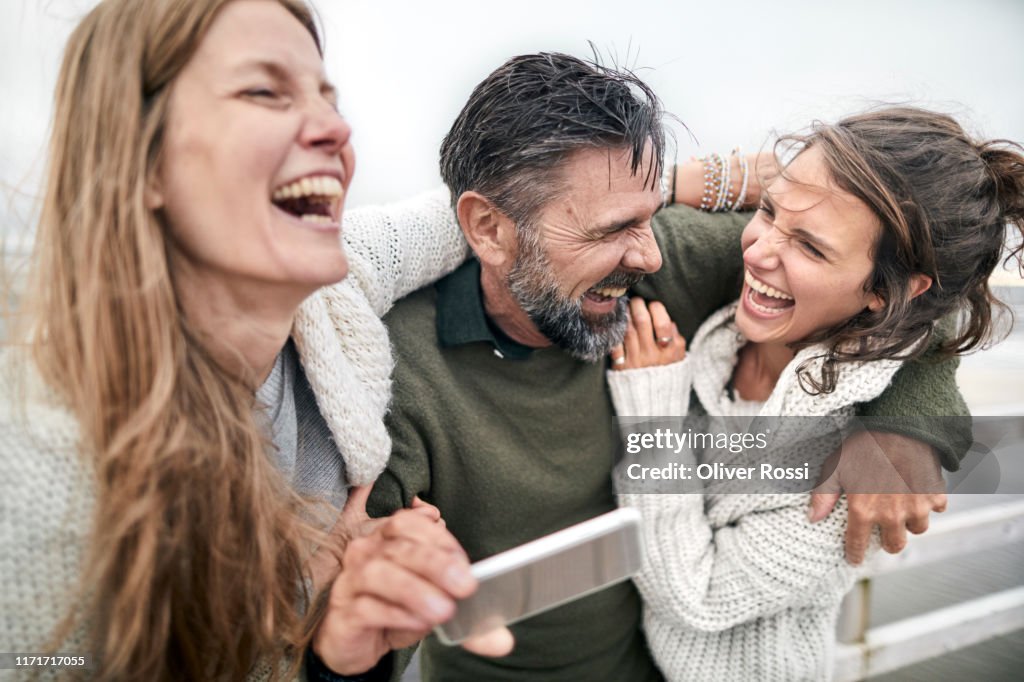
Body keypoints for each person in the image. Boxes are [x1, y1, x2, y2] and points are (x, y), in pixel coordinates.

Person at [364, 54, 972, 682]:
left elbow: (908, 284)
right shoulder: (399, 369)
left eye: (651, 214)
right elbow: (343, 612)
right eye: (614, 228)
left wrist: (908, 425)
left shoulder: (674, 266)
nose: (650, 255)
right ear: (489, 230)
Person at [0, 1, 510, 680]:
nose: (336, 126)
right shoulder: (37, 474)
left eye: (327, 97)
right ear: (140, 158)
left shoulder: (341, 285)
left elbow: (482, 215)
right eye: (265, 91)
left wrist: (333, 656)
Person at [606, 107, 1024, 681]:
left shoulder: (860, 473)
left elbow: (696, 596)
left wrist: (650, 408)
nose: (755, 251)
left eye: (811, 248)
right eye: (769, 211)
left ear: (889, 290)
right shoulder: (719, 333)